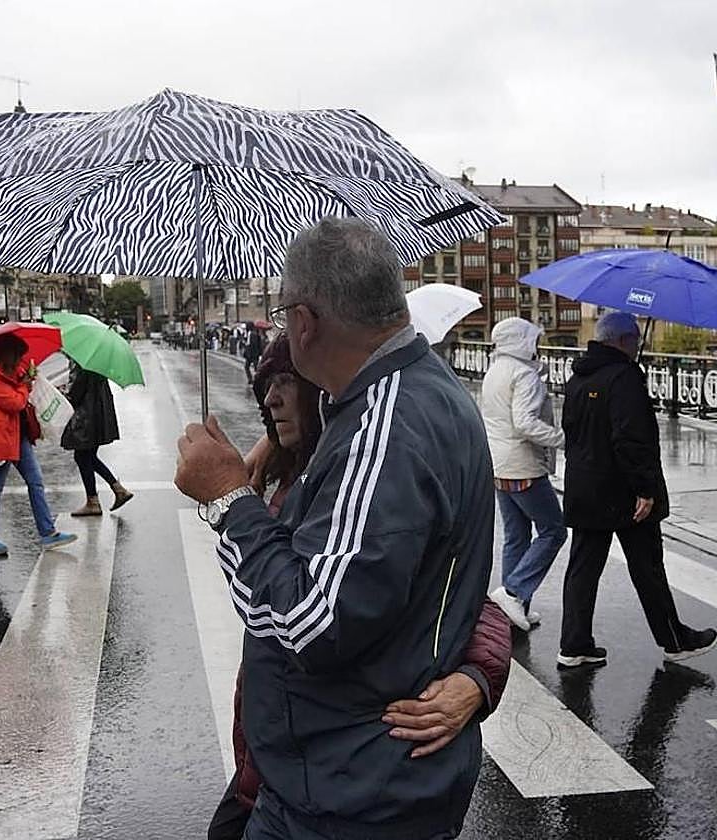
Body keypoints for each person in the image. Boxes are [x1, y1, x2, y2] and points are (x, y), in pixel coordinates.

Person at [176, 217, 495, 840]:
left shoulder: (386, 428)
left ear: (303, 322)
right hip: (346, 779)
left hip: (349, 794)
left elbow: (310, 625)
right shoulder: (412, 399)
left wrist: (228, 501)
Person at [558, 311, 717, 668]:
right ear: (624, 341)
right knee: (647, 568)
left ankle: (574, 644)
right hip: (625, 494)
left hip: (585, 488)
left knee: (582, 570)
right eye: (635, 340)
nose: (638, 345)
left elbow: (574, 433)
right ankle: (675, 641)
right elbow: (631, 440)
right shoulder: (625, 378)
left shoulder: (578, 378)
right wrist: (645, 489)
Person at [480, 317, 567, 632]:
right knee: (553, 531)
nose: (537, 346)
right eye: (533, 340)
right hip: (523, 466)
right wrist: (562, 438)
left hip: (498, 465)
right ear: (522, 342)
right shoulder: (524, 374)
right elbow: (525, 423)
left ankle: (512, 609)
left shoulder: (495, 370)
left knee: (516, 536)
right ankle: (513, 592)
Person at [0, 333, 76, 555]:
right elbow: (14, 403)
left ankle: (48, 533)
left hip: (18, 437)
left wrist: (30, 377)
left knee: (36, 481)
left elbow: (24, 384)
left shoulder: (13, 369)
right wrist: (24, 387)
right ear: (5, 354)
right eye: (17, 355)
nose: (21, 359)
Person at [61, 360, 133, 517]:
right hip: (98, 413)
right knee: (88, 456)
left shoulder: (80, 361)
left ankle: (94, 501)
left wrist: (62, 393)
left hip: (86, 417)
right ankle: (117, 490)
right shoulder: (98, 360)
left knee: (82, 456)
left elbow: (75, 392)